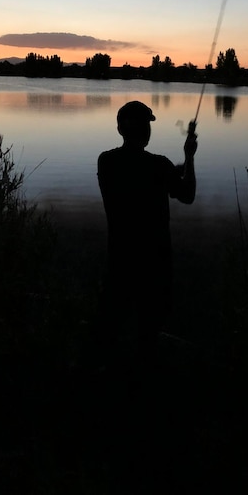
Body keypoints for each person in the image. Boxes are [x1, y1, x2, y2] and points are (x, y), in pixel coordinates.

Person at [97, 100, 197, 360]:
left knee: (113, 322)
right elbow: (187, 194)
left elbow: (143, 174)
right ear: (146, 131)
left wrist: (175, 171)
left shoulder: (106, 162)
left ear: (120, 129)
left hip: (119, 257)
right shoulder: (159, 166)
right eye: (147, 125)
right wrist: (189, 157)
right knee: (149, 327)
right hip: (155, 260)